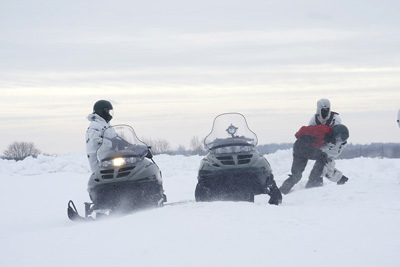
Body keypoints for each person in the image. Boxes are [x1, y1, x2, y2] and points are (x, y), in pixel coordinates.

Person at [279, 124, 349, 195]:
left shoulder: (329, 138)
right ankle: (313, 182)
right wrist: (300, 136)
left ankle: (282, 191)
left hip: (303, 149)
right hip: (302, 147)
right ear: (336, 132)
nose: (338, 141)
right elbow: (303, 130)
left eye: (340, 140)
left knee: (297, 175)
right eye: (338, 138)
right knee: (322, 157)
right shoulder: (323, 130)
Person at [85, 100, 116, 172]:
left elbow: (116, 138)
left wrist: (132, 146)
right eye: (107, 111)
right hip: (98, 159)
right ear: (102, 111)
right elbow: (95, 141)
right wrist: (111, 144)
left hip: (108, 158)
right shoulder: (95, 125)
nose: (109, 113)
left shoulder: (106, 124)